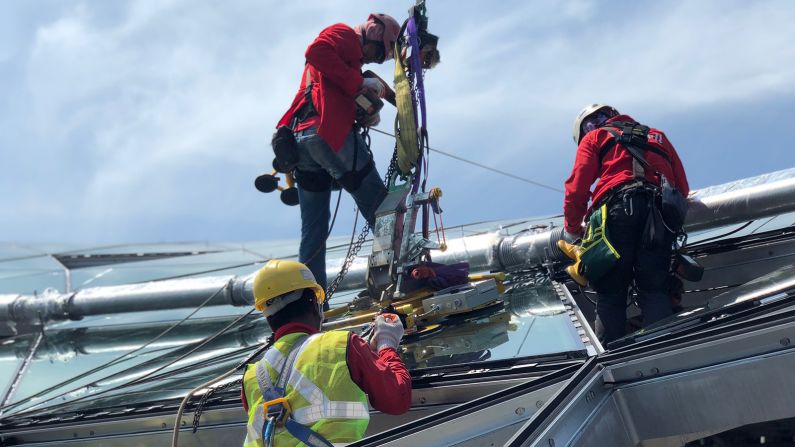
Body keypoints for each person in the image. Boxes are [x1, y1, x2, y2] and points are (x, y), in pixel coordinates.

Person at [276, 13, 402, 299]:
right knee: (379, 206)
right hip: (328, 134)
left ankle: (311, 302)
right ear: (372, 31)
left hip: (302, 143)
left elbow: (328, 84)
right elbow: (316, 51)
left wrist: (361, 106)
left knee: (314, 230)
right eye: (379, 51)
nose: (373, 59)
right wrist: (358, 85)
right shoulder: (344, 35)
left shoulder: (345, 65)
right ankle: (399, 276)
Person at [241, 260, 411, 447]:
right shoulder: (342, 344)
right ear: (315, 304)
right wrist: (387, 342)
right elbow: (397, 400)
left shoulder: (252, 376)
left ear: (268, 317)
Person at [563, 104, 689, 344]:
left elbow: (576, 189)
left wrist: (572, 229)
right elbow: (682, 188)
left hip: (617, 213)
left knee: (610, 293)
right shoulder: (657, 135)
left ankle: (614, 361)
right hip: (660, 217)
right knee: (654, 289)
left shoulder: (595, 137)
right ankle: (663, 351)